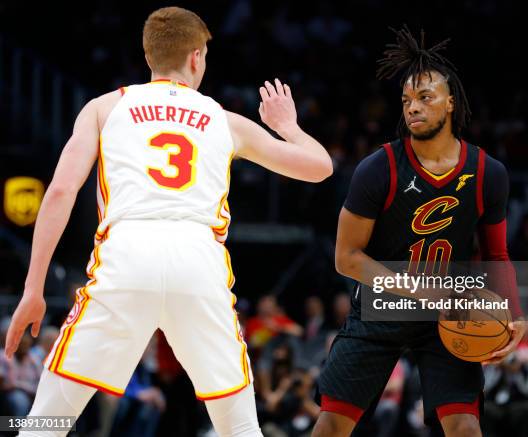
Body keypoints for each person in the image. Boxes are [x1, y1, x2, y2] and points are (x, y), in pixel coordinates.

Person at [4, 6, 332, 437]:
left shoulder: (105, 108)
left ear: (148, 56)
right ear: (197, 57)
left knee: (46, 422)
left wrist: (33, 288)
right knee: (239, 426)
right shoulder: (224, 119)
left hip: (126, 254)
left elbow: (61, 192)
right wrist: (287, 126)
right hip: (197, 260)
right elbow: (320, 166)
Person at [311, 27, 525, 437]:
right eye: (407, 100)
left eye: (425, 97)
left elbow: (496, 255)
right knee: (331, 426)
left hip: (448, 312)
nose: (413, 107)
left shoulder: (487, 173)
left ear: (450, 103)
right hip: (379, 308)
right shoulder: (378, 168)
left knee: (464, 425)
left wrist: (514, 313)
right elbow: (346, 257)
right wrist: (415, 289)